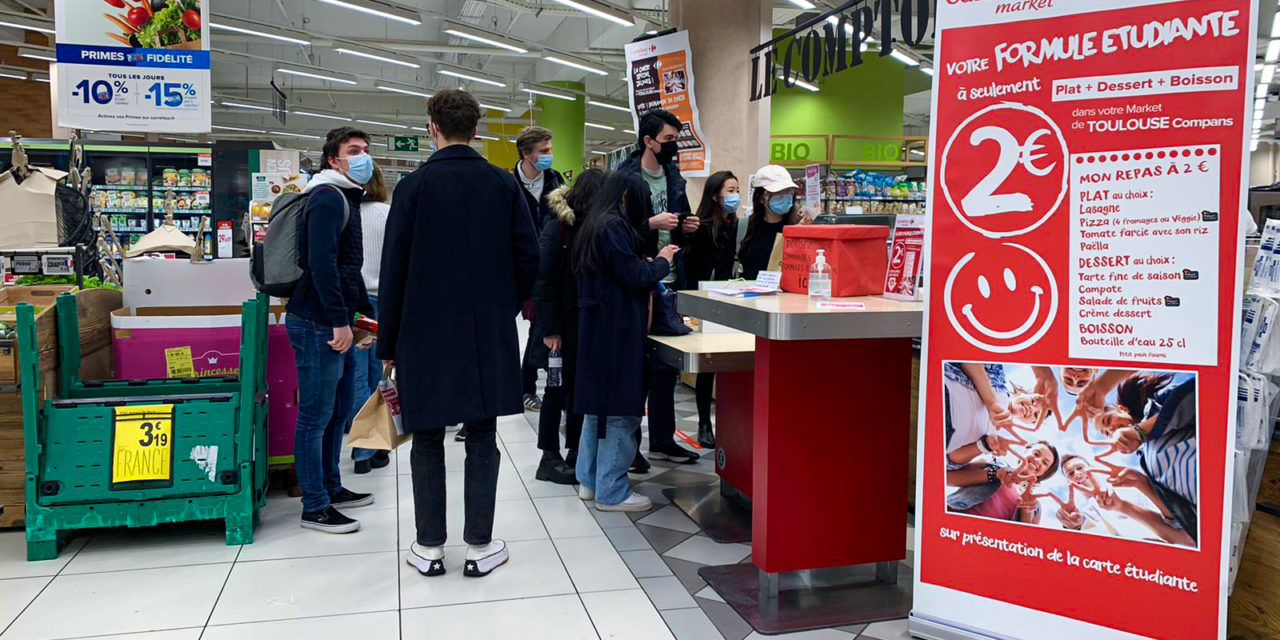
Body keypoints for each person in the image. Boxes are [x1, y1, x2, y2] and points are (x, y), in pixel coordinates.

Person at [378, 89, 540, 578]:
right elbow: (530, 257)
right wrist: (501, 305)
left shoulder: (411, 188)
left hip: (421, 333)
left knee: (426, 436)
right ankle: (480, 545)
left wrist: (388, 345)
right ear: (476, 129)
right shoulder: (501, 185)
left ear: (432, 127)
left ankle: (429, 547)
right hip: (485, 333)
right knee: (482, 435)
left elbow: (394, 271)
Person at [573, 171, 681, 511]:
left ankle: (589, 481)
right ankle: (612, 490)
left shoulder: (593, 225)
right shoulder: (614, 227)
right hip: (617, 332)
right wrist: (662, 261)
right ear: (626, 199)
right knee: (621, 411)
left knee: (597, 411)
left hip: (597, 329)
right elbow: (634, 277)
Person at [287, 126, 376, 534]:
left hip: (335, 319)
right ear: (333, 160)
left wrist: (361, 317)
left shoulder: (344, 196)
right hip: (317, 322)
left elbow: (347, 266)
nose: (363, 157)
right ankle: (315, 506)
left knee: (338, 411)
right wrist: (340, 321)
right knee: (316, 415)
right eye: (353, 151)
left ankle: (331, 486)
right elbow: (320, 264)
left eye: (365, 150)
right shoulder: (325, 197)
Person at [615, 109, 701, 471]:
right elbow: (611, 229)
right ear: (648, 141)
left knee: (666, 366)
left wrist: (688, 226)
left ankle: (664, 440)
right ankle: (629, 448)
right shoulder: (624, 178)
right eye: (667, 140)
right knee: (635, 369)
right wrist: (649, 223)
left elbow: (678, 221)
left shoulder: (674, 176)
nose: (673, 147)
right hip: (639, 281)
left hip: (671, 281)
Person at [530, 169, 606, 485]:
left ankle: (576, 450)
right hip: (557, 328)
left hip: (579, 324)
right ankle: (548, 457)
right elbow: (543, 280)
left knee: (578, 391)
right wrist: (549, 329)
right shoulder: (557, 228)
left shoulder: (585, 227)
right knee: (555, 391)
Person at [683, 170, 741, 448]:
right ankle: (704, 422)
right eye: (730, 190)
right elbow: (694, 268)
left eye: (737, 189)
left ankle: (728, 422)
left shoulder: (738, 225)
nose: (735, 196)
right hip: (707, 300)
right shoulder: (703, 227)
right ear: (715, 195)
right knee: (709, 364)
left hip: (733, 298)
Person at [513, 126, 566, 414]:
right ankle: (524, 386)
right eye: (544, 151)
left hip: (551, 266)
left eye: (550, 149)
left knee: (539, 327)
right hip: (519, 267)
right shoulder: (510, 184)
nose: (549, 155)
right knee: (533, 329)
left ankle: (528, 387)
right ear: (526, 154)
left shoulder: (556, 181)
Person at [351, 165, 391, 475]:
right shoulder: (388, 214)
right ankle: (377, 442)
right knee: (379, 374)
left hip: (354, 303)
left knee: (355, 377)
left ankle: (364, 450)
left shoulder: (346, 213)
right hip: (383, 302)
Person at [738, 164, 810, 280]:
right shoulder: (744, 227)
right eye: (779, 192)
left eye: (789, 191)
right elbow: (725, 267)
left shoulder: (799, 227)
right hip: (748, 295)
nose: (786, 196)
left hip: (787, 296)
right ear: (761, 197)